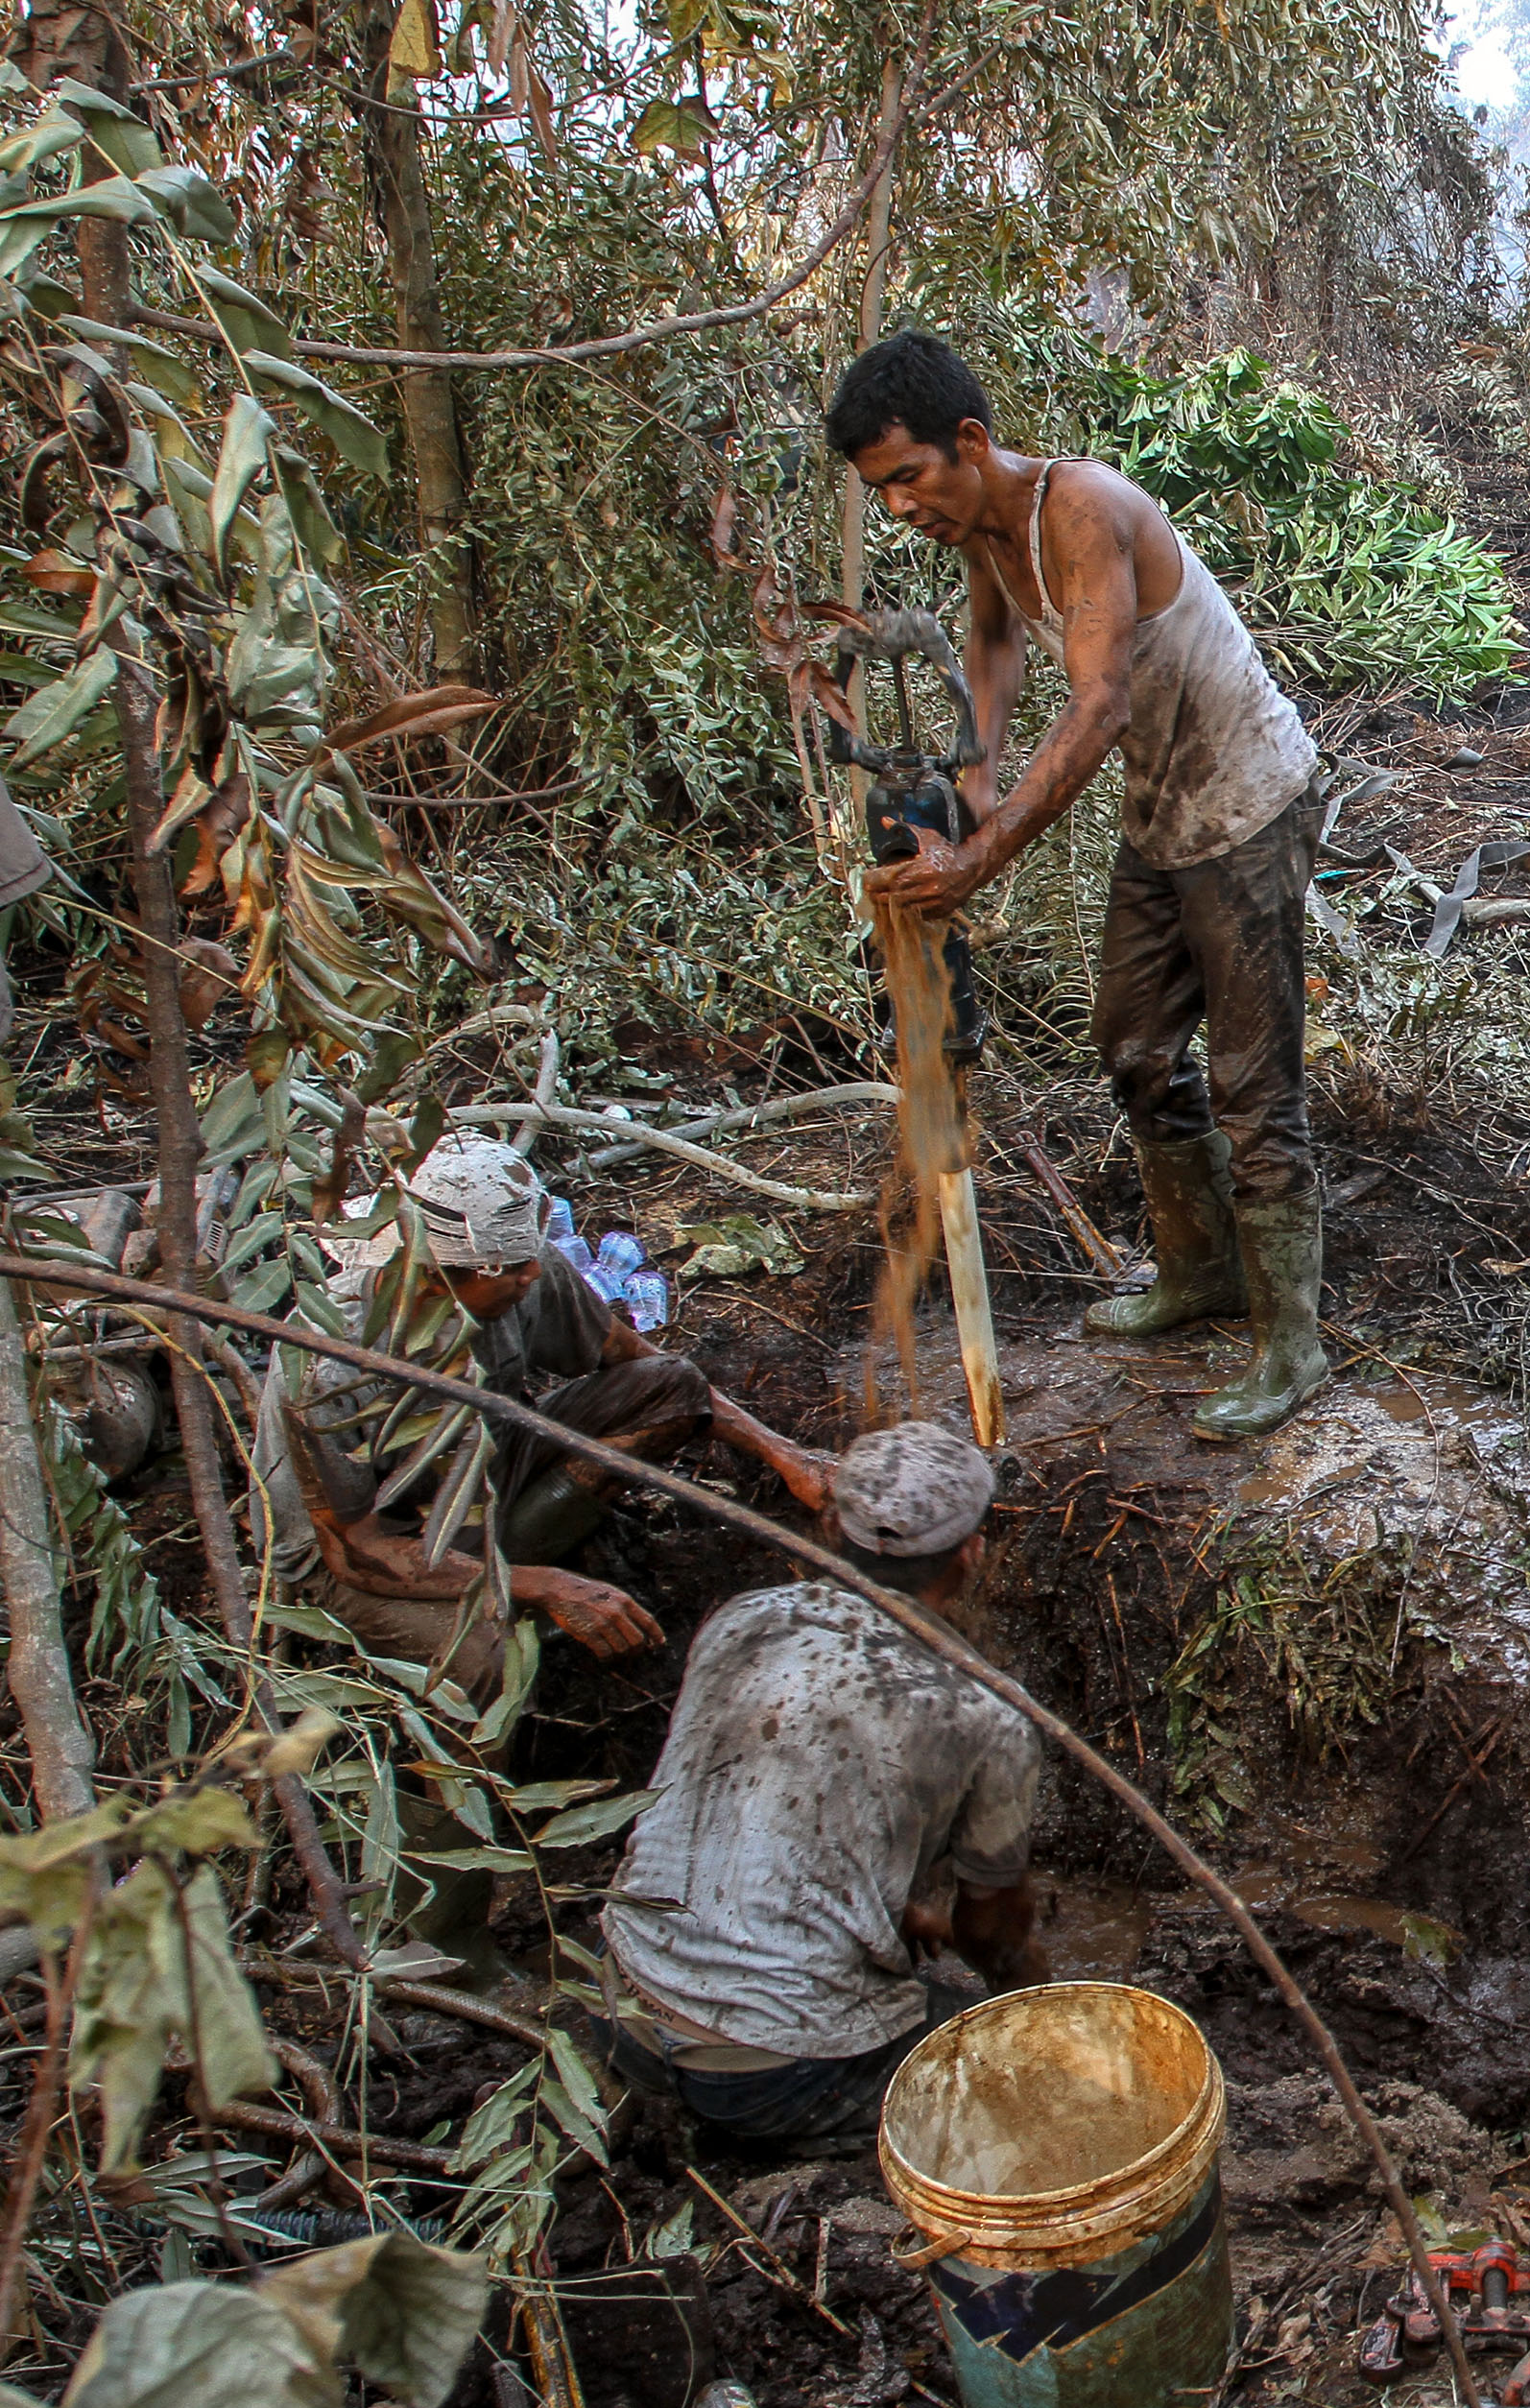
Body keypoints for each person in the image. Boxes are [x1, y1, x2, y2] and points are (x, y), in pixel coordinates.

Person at [825, 329, 1334, 1438]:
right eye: (882, 492)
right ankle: (1202, 1269)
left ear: (969, 441)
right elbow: (994, 645)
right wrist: (974, 779)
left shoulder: (1080, 508)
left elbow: (1098, 704)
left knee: (1254, 1085)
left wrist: (983, 852)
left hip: (1245, 799)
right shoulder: (987, 533)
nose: (902, 505)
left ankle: (1292, 1343)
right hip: (1165, 809)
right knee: (1135, 1045)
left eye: (908, 478)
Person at [263, 1130, 834, 1970]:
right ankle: (444, 1932)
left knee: (671, 1391)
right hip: (368, 1557)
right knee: (484, 1661)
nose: (534, 1280)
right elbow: (355, 1551)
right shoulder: (337, 1357)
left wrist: (787, 1456)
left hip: (483, 1479)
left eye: (532, 1260)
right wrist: (538, 1584)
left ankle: (542, 1564)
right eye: (510, 1274)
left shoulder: (524, 1267)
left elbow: (642, 1362)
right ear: (439, 1273)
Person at [595, 1421, 1048, 2148]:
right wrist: (1047, 2009)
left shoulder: (740, 1620)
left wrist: (890, 1911)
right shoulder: (982, 1710)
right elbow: (994, 1932)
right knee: (1024, 2077)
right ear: (972, 1552)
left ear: (831, 1526)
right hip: (774, 2073)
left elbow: (756, 1810)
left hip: (616, 2000)